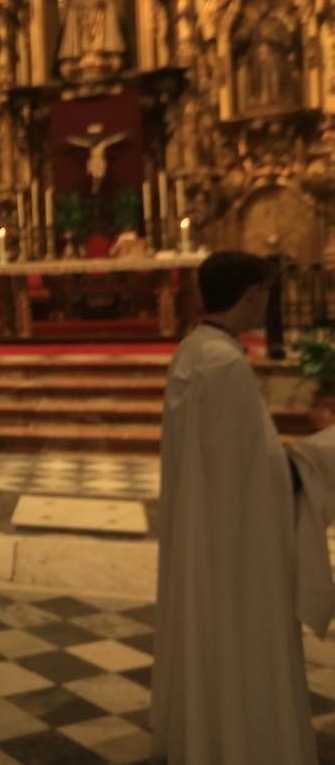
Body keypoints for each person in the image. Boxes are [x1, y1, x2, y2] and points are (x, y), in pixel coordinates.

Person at [151, 250, 319, 764]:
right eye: (265, 294)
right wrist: (318, 462)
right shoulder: (225, 364)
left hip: (205, 529)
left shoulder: (193, 350)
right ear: (251, 295)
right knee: (237, 640)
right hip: (235, 546)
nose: (265, 303)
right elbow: (266, 477)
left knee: (206, 633)